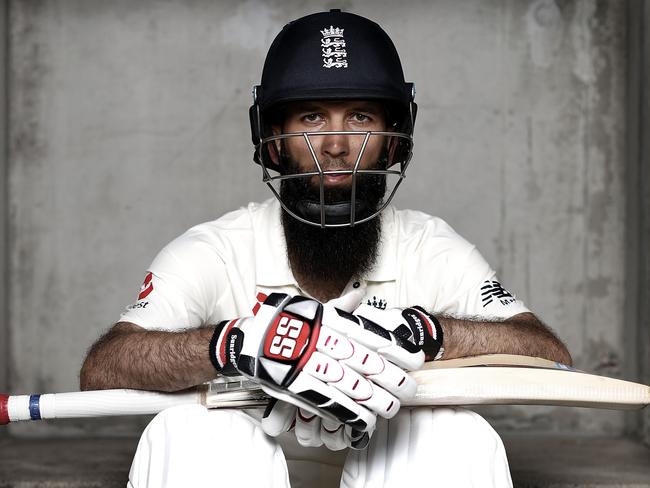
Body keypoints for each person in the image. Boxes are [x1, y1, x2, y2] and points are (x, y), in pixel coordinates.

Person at [80, 9, 572, 488]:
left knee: (455, 433)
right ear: (273, 139)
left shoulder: (428, 245)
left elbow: (548, 354)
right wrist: (237, 345)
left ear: (393, 140)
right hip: (245, 469)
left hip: (393, 470)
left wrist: (421, 333)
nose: (336, 143)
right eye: (312, 117)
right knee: (190, 430)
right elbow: (103, 369)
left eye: (360, 117)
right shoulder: (217, 249)